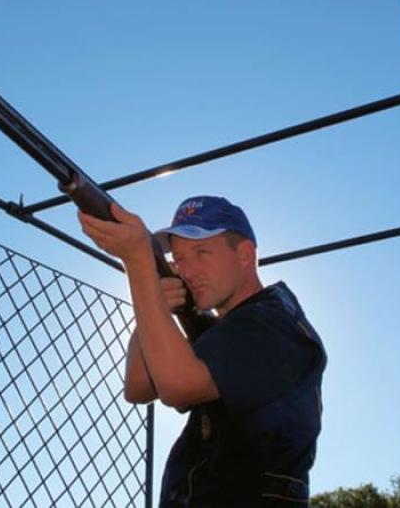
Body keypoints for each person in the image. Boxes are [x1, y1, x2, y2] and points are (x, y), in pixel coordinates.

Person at [78, 195, 326, 507]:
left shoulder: (271, 321)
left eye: (202, 252)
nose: (187, 270)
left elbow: (178, 386)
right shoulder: (228, 329)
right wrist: (155, 304)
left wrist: (139, 264)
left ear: (245, 254)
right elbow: (139, 388)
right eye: (179, 258)